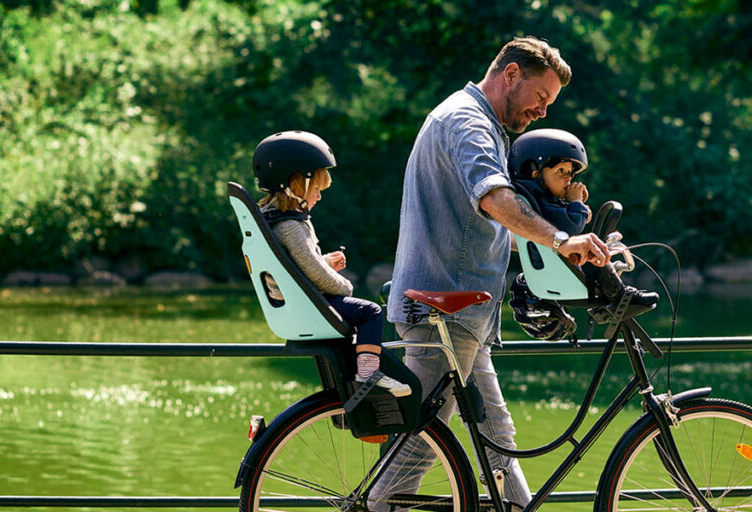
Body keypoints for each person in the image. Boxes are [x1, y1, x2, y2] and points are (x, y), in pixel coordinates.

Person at [383, 37, 611, 510]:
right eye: (541, 97)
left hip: (462, 314)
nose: (542, 111)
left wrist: (564, 245)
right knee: (416, 449)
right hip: (443, 310)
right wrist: (560, 239)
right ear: (510, 75)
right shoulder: (467, 122)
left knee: (498, 442)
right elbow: (494, 199)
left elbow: (490, 227)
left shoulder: (475, 121)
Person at [252, 130, 410, 397]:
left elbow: (298, 266)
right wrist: (344, 285)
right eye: (316, 189)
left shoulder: (275, 220)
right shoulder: (291, 227)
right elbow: (315, 273)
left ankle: (360, 370)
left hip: (298, 302)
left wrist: (324, 261)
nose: (319, 197)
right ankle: (368, 373)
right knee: (370, 312)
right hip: (309, 305)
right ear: (296, 185)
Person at [508, 128, 661, 305]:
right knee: (595, 253)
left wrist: (576, 205)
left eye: (570, 173)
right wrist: (576, 202)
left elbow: (567, 219)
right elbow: (573, 226)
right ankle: (620, 296)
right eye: (560, 171)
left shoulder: (534, 201)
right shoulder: (540, 205)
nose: (568, 179)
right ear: (536, 174)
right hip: (560, 270)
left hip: (550, 267)